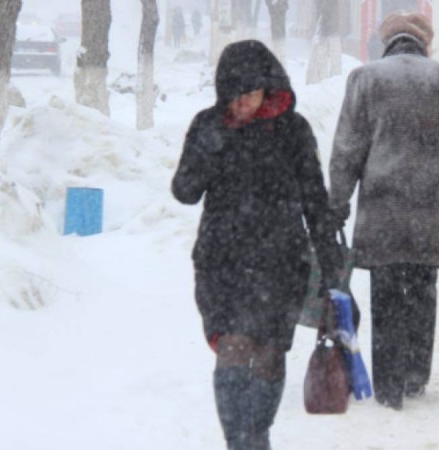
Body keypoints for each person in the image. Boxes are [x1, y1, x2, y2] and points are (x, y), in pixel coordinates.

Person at [172, 40, 343, 449]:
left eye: (248, 94)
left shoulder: (293, 130)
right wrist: (206, 150)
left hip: (280, 262)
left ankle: (257, 434)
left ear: (268, 88)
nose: (241, 104)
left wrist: (332, 264)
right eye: (232, 97)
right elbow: (184, 191)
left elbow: (314, 198)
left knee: (268, 353)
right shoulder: (208, 125)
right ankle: (238, 441)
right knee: (231, 348)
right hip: (221, 261)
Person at [328, 12, 439, 410]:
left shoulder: (365, 79)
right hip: (431, 211)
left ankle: (388, 384)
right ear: (424, 42)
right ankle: (415, 376)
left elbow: (346, 152)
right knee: (422, 292)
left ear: (387, 41)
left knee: (386, 295)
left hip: (382, 212)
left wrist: (336, 204)